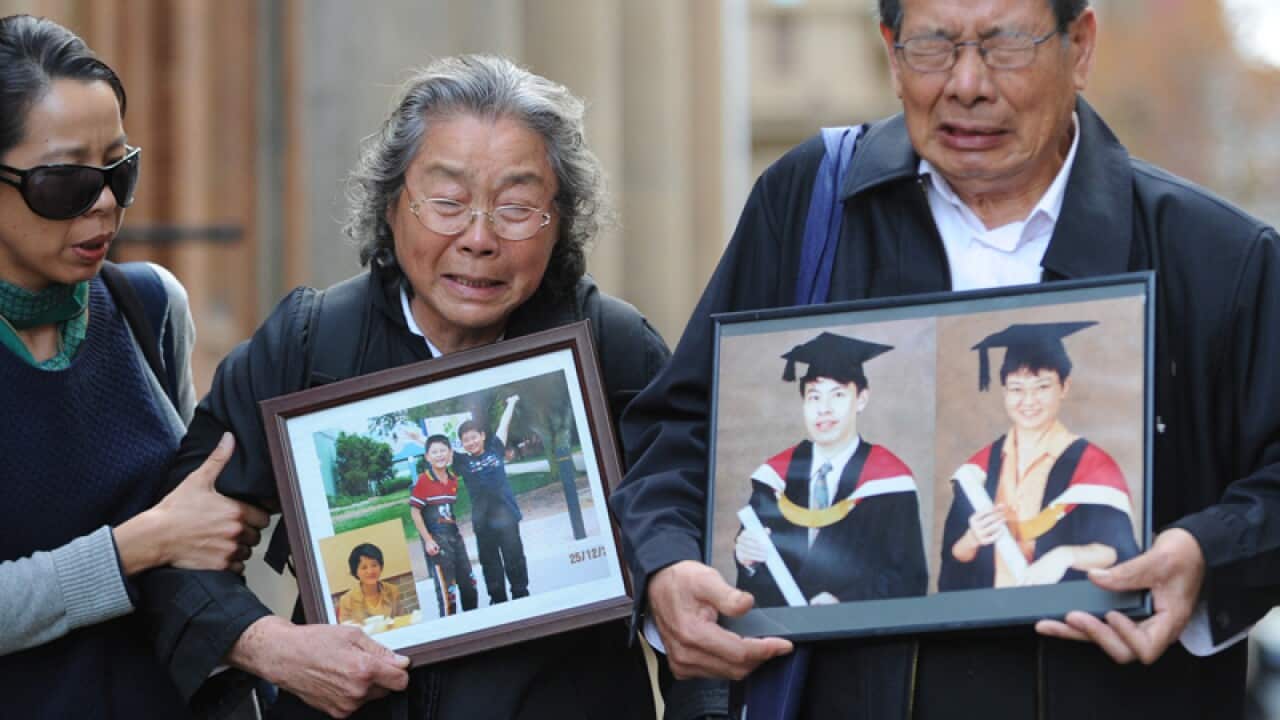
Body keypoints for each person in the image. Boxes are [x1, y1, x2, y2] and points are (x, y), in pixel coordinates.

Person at [610, 0, 1280, 718]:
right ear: (890, 51)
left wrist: (1208, 556)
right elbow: (681, 434)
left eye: (1006, 44)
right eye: (932, 46)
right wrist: (667, 566)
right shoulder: (811, 206)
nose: (966, 83)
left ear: (1080, 46)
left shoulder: (1215, 258)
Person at [137, 54, 668, 719]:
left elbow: (692, 567)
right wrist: (270, 646)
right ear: (391, 206)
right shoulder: (308, 344)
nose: (478, 238)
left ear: (560, 222)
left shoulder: (615, 350)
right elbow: (172, 552)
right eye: (446, 203)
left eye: (517, 207)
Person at [0, 14, 270, 718]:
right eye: (66, 183)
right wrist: (137, 547)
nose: (106, 206)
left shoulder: (147, 304)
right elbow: (165, 533)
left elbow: (192, 527)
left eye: (121, 170)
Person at [938, 321, 1139, 590]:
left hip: (1065, 618)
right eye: (1017, 389)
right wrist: (973, 538)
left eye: (1042, 387)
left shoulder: (1092, 466)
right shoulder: (978, 469)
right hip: (991, 619)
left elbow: (1120, 550)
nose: (1029, 401)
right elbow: (954, 557)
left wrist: (1065, 556)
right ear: (1004, 392)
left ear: (1064, 387)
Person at [734, 332, 927, 608]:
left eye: (838, 394)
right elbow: (754, 577)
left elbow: (908, 579)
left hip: (858, 643)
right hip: (781, 641)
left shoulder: (889, 482)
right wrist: (746, 559)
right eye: (814, 397)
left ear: (861, 399)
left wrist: (844, 603)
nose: (824, 409)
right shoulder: (775, 478)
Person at [454, 397, 529, 603]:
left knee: (514, 557)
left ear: (482, 436)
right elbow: (437, 450)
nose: (471, 442)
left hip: (507, 515)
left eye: (473, 437)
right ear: (462, 444)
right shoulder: (462, 461)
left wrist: (511, 403)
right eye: (466, 440)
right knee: (490, 562)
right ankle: (498, 598)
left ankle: (521, 593)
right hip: (483, 521)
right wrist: (418, 438)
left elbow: (504, 425)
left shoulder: (495, 448)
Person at [409, 434, 478, 616]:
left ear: (449, 454)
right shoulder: (423, 481)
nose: (439, 455)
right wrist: (428, 540)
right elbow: (415, 512)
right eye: (434, 452)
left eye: (442, 451)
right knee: (448, 594)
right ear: (427, 457)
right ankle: (451, 631)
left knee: (470, 586)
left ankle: (474, 626)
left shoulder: (453, 479)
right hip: (438, 540)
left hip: (455, 537)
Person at [338, 544, 403, 625]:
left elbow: (400, 621)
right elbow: (346, 633)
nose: (370, 571)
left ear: (380, 566)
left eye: (374, 565)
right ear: (356, 571)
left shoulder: (393, 591)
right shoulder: (346, 601)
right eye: (364, 567)